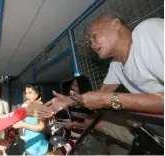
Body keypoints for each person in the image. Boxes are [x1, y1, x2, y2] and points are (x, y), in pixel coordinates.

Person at [45, 15, 164, 145]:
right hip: (155, 124)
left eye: (93, 36)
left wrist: (107, 99)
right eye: (89, 41)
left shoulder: (147, 32)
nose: (92, 44)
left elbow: (104, 98)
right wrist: (70, 101)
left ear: (116, 25)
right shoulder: (116, 65)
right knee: (94, 122)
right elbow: (98, 97)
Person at [13, 84, 49, 155]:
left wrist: (23, 124)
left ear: (37, 93)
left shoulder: (40, 106)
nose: (27, 96)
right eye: (26, 93)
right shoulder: (30, 105)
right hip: (29, 145)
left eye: (30, 93)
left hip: (38, 148)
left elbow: (41, 127)